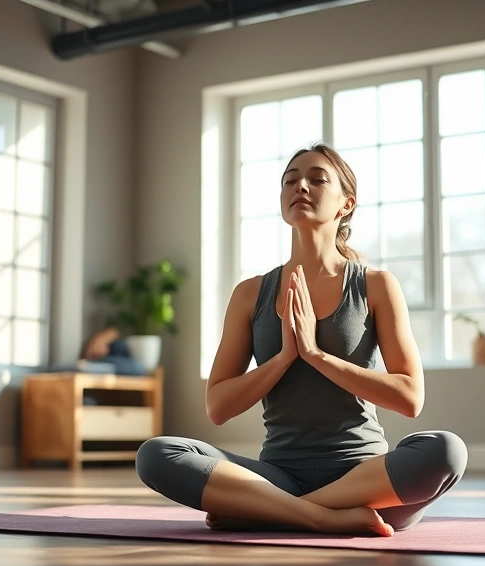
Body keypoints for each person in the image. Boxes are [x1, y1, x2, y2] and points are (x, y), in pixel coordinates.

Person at [136, 144, 467, 537]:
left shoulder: (375, 286)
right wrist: (283, 358)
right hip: (276, 475)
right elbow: (218, 406)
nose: (301, 186)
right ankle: (321, 517)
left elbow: (410, 398)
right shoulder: (250, 293)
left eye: (317, 178)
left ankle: (272, 513)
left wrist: (315, 354)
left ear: (347, 204)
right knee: (156, 454)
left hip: (362, 478)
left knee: (446, 450)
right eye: (290, 180)